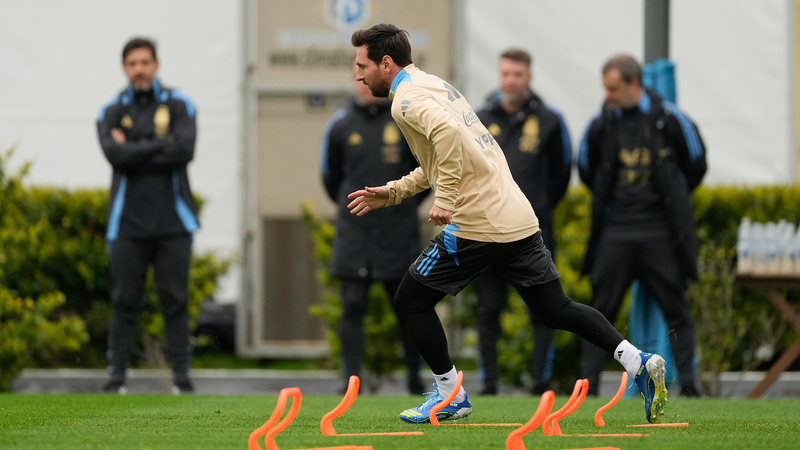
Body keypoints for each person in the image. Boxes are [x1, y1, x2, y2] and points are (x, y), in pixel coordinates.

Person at [347, 23, 668, 424]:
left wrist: (446, 199)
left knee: (410, 299)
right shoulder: (433, 85)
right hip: (515, 216)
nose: (358, 74)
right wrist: (393, 192)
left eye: (362, 65)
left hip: (477, 225)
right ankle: (638, 362)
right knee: (556, 309)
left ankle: (450, 396)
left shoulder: (405, 101)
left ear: (386, 62)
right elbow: (445, 156)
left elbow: (446, 137)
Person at [577, 54, 706, 397]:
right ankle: (586, 386)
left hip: (660, 231)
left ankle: (690, 386)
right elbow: (587, 167)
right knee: (599, 310)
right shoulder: (601, 122)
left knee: (676, 308)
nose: (608, 95)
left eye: (614, 88)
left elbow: (696, 162)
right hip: (615, 230)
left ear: (635, 85)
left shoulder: (669, 118)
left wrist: (673, 198)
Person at [97, 37, 199, 395]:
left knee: (175, 301)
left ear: (156, 64)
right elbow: (114, 156)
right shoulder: (110, 110)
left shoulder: (179, 103)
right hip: (126, 225)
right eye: (132, 63)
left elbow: (185, 150)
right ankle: (116, 378)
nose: (138, 69)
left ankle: (182, 380)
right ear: (125, 68)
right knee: (125, 301)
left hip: (174, 223)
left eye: (144, 62)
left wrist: (133, 146)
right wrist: (161, 144)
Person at [320, 67, 425, 395]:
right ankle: (351, 381)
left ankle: (415, 379)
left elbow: (427, 171)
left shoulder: (404, 119)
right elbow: (330, 178)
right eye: (357, 79)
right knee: (352, 305)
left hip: (398, 230)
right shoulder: (339, 125)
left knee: (407, 304)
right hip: (355, 230)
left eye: (367, 78)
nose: (363, 85)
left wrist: (402, 207)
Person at [474, 48, 572, 396]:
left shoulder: (550, 120)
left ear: (528, 77)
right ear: (499, 76)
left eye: (517, 74)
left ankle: (540, 383)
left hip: (533, 235)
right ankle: (488, 384)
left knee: (544, 311)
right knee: (488, 311)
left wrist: (538, 207)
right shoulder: (479, 117)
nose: (510, 80)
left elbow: (561, 174)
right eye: (505, 74)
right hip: (486, 232)